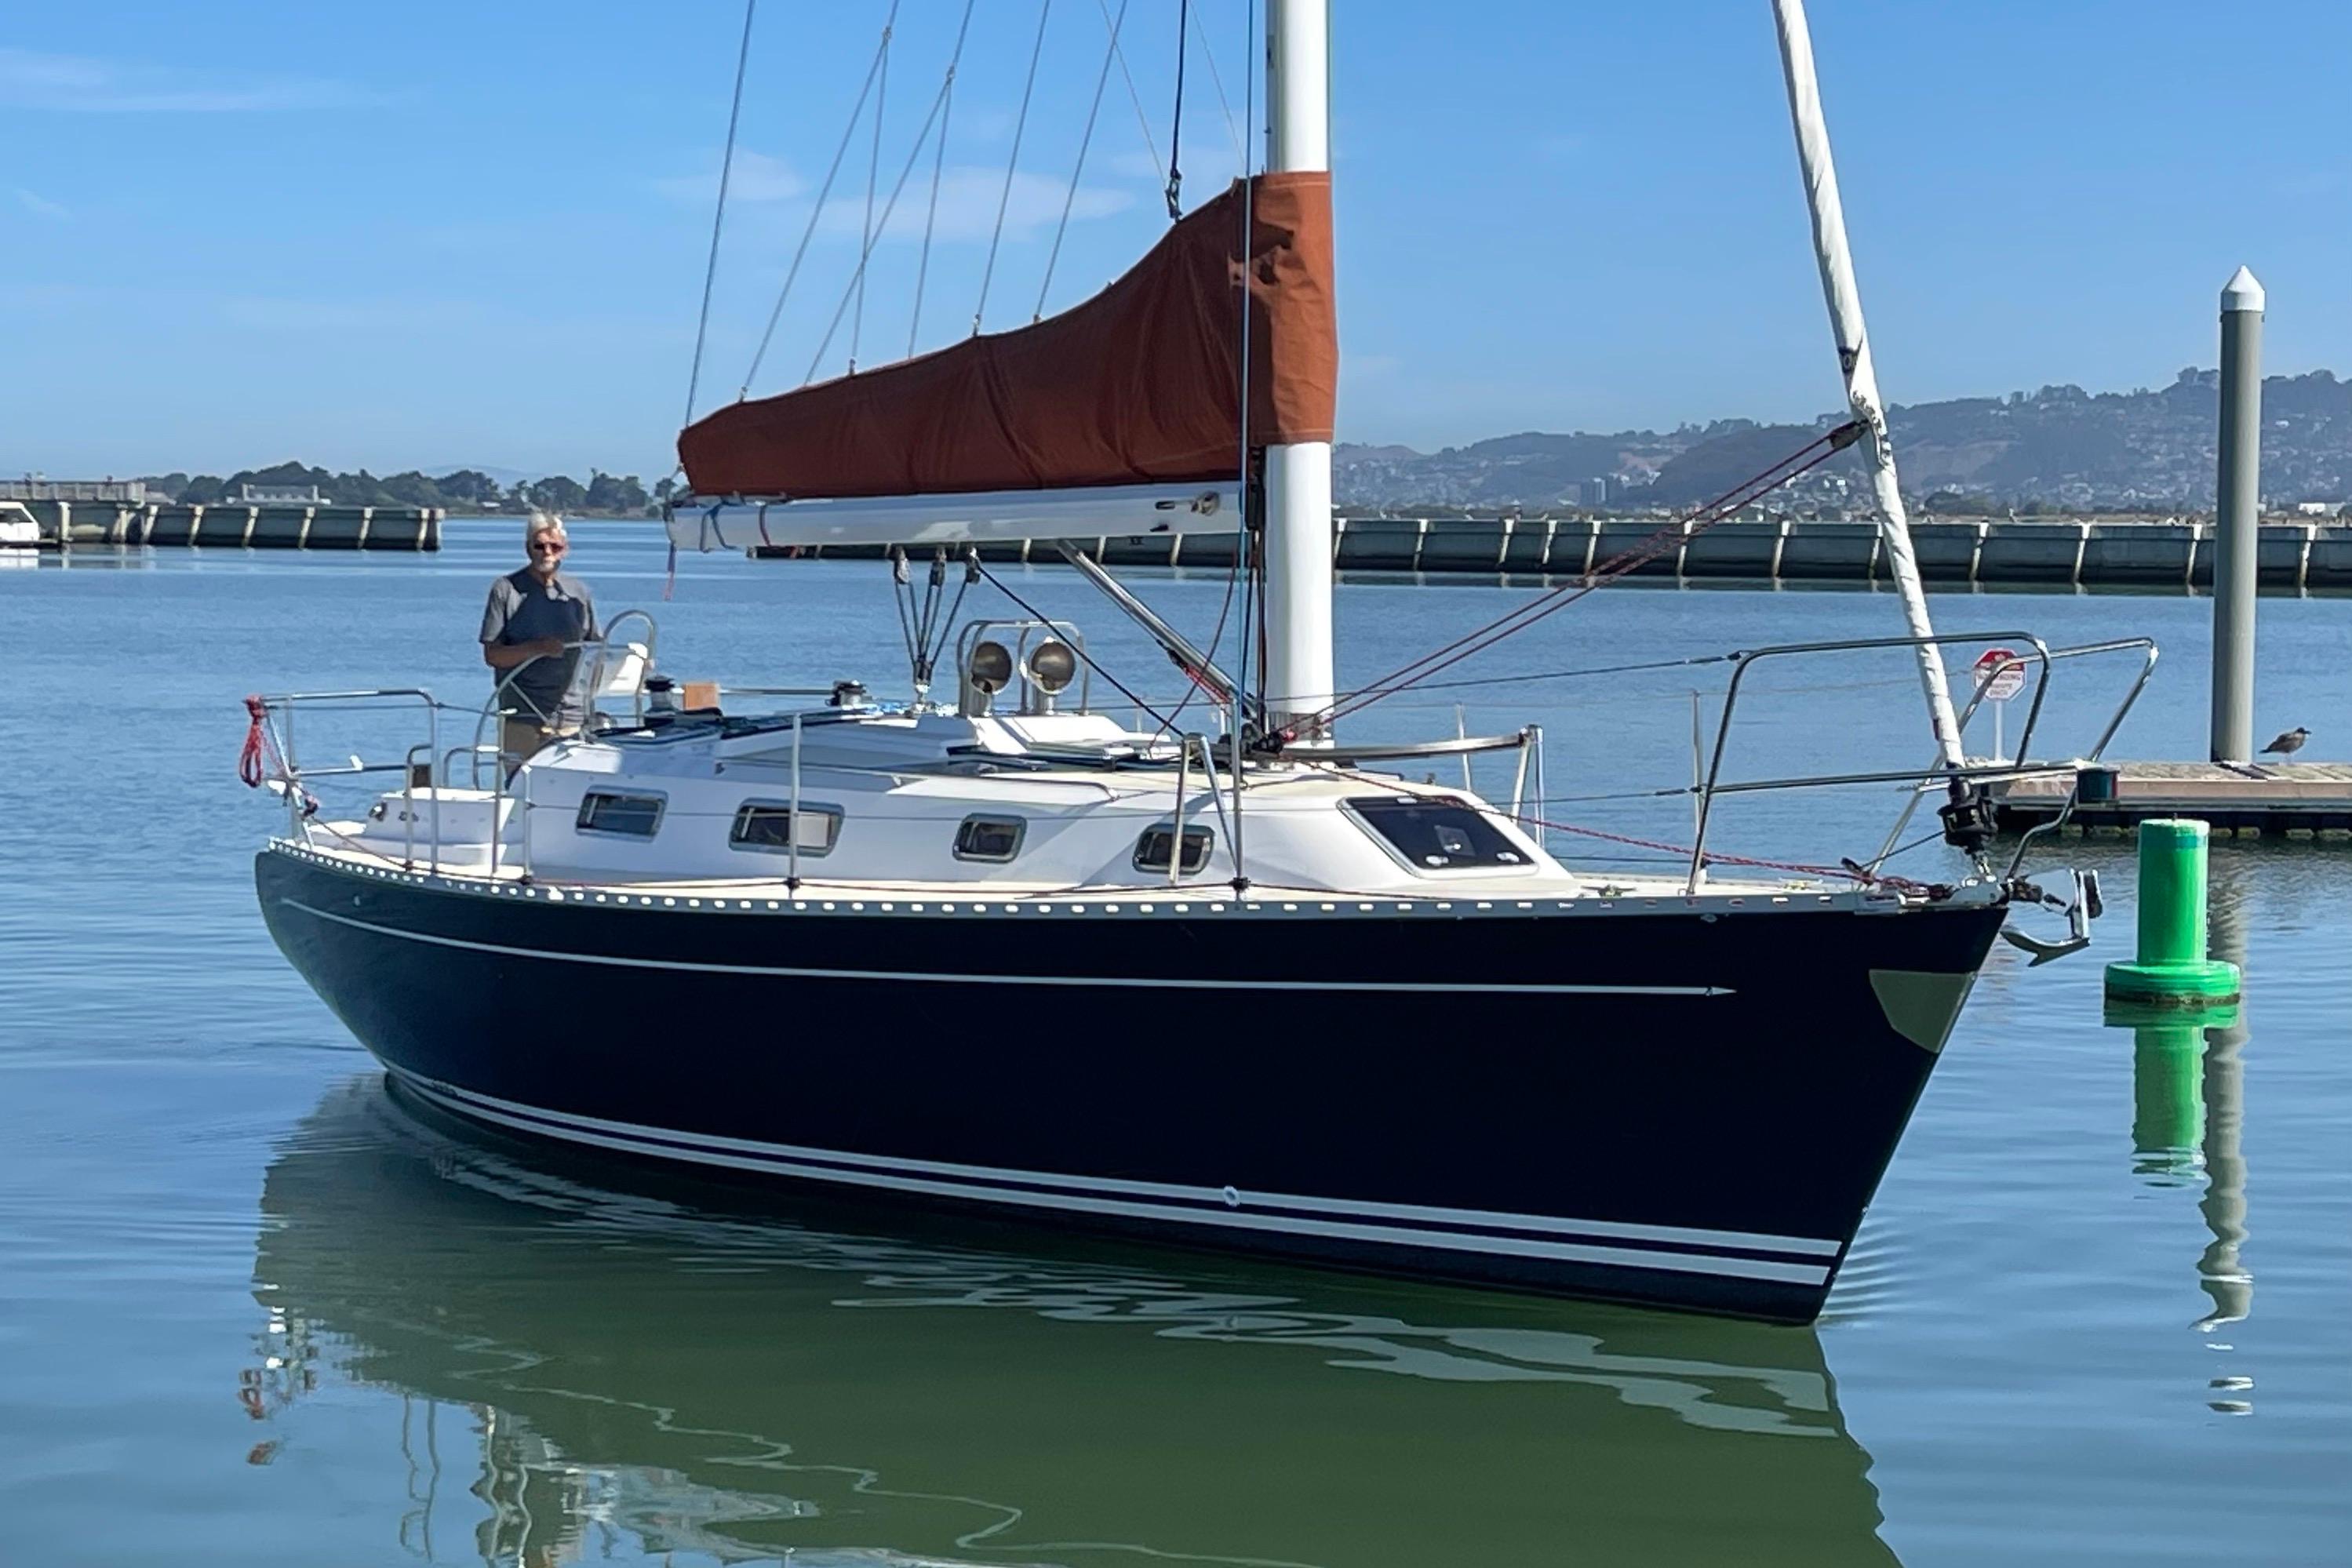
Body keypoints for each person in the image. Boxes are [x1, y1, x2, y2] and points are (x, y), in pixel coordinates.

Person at [481, 511, 597, 773]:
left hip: (573, 717)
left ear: (564, 550)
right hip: (523, 717)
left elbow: (594, 650)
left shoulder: (579, 592)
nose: (547, 552)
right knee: (521, 792)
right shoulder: (505, 589)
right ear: (527, 548)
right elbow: (493, 656)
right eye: (540, 545)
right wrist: (536, 648)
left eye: (554, 546)